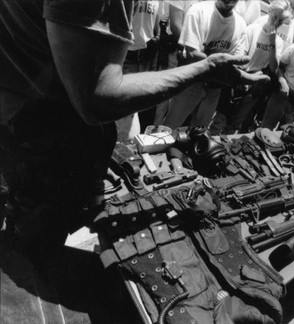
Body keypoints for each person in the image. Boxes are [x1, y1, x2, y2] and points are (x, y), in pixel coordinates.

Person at [0, 0, 268, 247]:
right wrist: (206, 68)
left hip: (34, 128)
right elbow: (98, 99)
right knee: (33, 255)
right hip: (35, 142)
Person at [162, 0, 248, 130]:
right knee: (169, 128)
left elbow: (236, 61)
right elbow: (192, 53)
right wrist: (222, 66)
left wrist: (217, 65)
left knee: (199, 133)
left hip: (215, 87)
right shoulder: (198, 11)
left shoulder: (241, 24)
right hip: (192, 81)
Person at [224, 0, 291, 134]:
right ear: (269, 13)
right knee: (221, 118)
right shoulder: (252, 29)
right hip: (239, 78)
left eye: (280, 20)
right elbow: (241, 55)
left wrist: (272, 43)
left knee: (236, 123)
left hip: (254, 87)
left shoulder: (278, 41)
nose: (276, 22)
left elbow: (273, 67)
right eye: (274, 17)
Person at [115, 0, 170, 141]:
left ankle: (125, 146)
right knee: (125, 111)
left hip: (146, 57)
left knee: (136, 108)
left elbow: (157, 25)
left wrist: (156, 38)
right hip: (125, 56)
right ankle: (120, 148)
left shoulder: (158, 1)